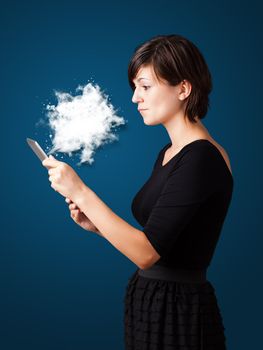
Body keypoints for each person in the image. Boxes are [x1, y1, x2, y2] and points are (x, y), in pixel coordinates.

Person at [42, 34, 234, 350]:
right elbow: (163, 241)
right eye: (135, 88)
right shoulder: (169, 153)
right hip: (150, 305)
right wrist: (98, 227)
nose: (135, 98)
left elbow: (147, 253)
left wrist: (81, 190)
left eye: (145, 87)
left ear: (183, 89)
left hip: (178, 315)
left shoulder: (202, 158)